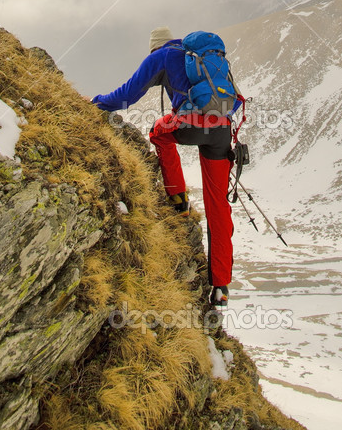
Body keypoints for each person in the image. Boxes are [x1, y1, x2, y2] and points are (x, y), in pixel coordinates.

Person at [90, 26, 234, 306]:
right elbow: (232, 99)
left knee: (158, 133)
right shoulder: (204, 58)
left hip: (188, 125)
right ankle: (221, 286)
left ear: (154, 47)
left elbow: (127, 95)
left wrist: (97, 104)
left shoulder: (161, 56)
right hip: (221, 131)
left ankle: (178, 197)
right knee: (218, 205)